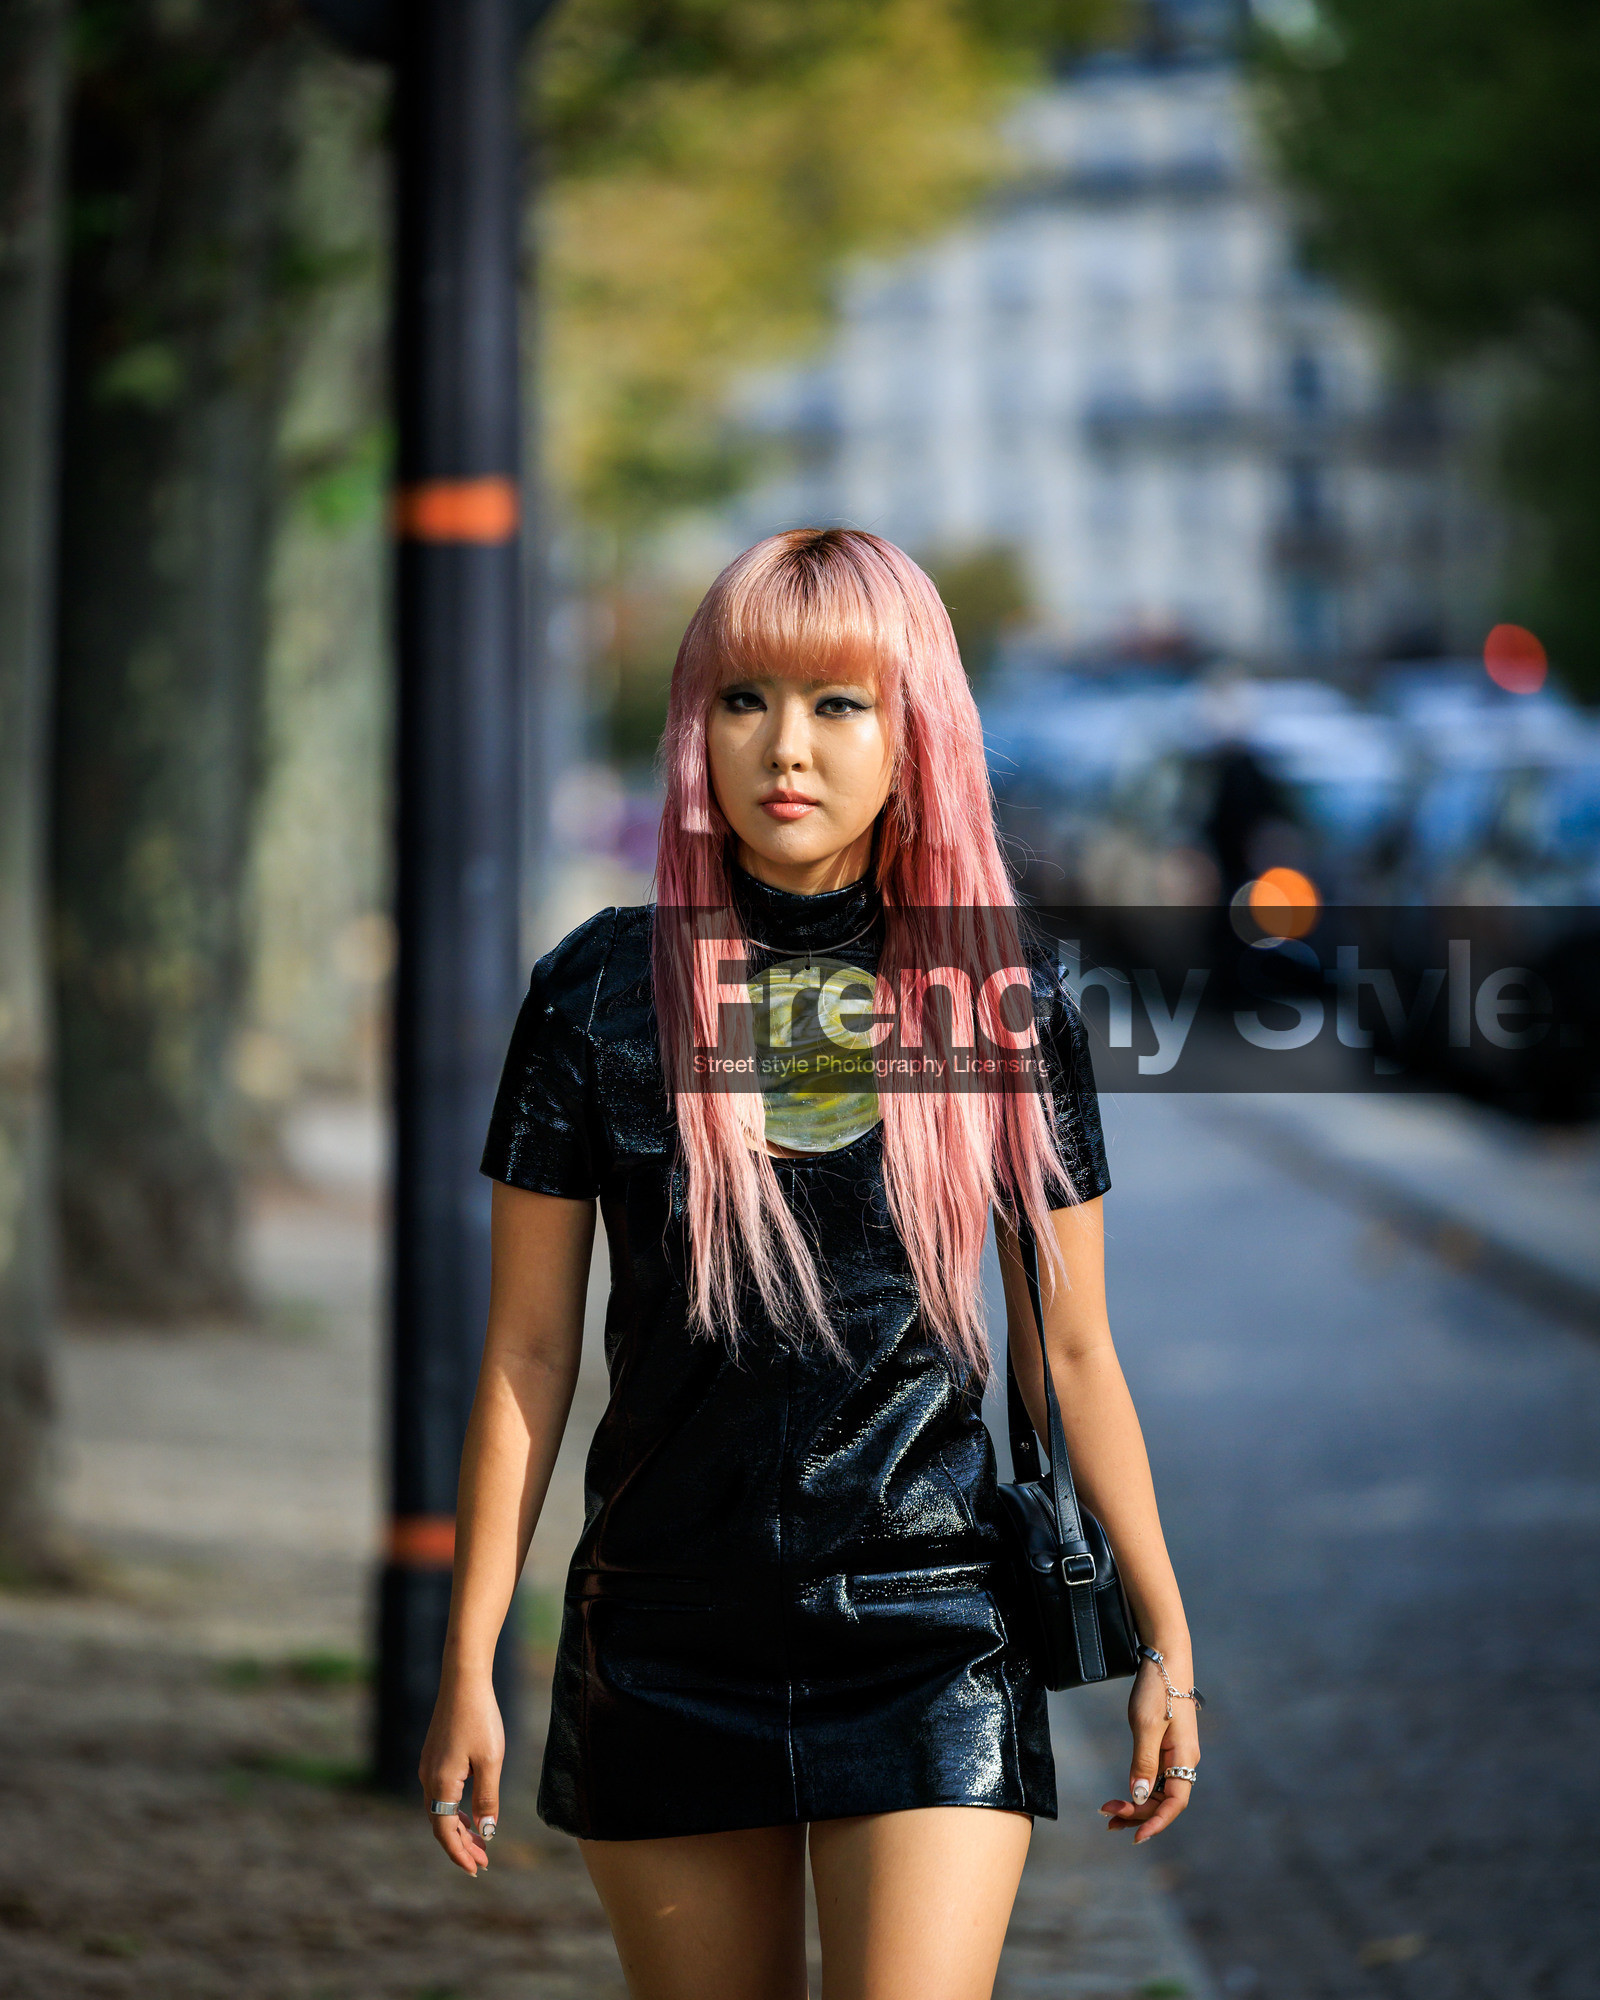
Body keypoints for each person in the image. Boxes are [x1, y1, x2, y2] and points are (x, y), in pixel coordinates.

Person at [419, 529, 1200, 2000]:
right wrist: (471, 1655)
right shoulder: (598, 993)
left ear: (919, 735)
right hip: (660, 1633)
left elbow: (1076, 1353)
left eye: (843, 704)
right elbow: (527, 1356)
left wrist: (1165, 1634)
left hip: (934, 1628)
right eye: (744, 698)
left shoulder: (1001, 1002)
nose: (788, 747)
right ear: (694, 725)